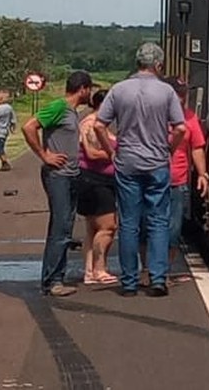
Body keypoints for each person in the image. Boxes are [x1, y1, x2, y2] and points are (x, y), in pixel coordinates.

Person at [94, 43, 186, 297]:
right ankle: (157, 278)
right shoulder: (166, 92)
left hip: (127, 162)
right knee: (158, 221)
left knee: (129, 223)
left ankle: (130, 281)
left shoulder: (119, 89)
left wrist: (111, 152)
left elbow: (100, 125)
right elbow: (180, 128)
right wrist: (168, 149)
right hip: (156, 162)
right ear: (158, 65)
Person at [22, 71, 93, 297]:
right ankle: (52, 280)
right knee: (60, 227)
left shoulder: (71, 112)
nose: (90, 93)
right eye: (89, 89)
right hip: (58, 175)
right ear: (82, 89)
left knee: (66, 225)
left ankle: (57, 276)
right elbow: (29, 126)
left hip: (70, 174)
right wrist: (44, 155)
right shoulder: (59, 107)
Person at [138, 76, 209, 286]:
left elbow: (196, 147)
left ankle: (163, 271)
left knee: (173, 230)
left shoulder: (190, 118)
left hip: (177, 182)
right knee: (145, 226)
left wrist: (202, 174)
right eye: (176, 93)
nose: (180, 98)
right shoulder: (150, 116)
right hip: (149, 178)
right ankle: (146, 269)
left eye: (183, 94)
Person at [78, 88, 119, 286]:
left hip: (99, 180)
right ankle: (98, 269)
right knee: (107, 226)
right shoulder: (91, 124)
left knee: (93, 229)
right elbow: (92, 154)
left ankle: (89, 271)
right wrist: (114, 154)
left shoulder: (100, 124)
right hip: (95, 181)